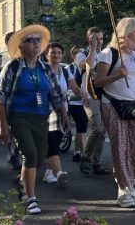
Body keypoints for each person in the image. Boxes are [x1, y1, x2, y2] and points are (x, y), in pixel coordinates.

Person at [0, 24, 65, 215]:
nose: (35, 43)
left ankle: (22, 181)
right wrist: (2, 126)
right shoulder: (13, 67)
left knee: (40, 157)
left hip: (41, 117)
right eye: (30, 40)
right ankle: (31, 199)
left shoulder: (44, 68)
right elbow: (0, 98)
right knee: (30, 154)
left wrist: (64, 115)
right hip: (19, 117)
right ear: (21, 46)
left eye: (38, 40)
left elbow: (57, 94)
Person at [94, 17, 135, 208]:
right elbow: (98, 82)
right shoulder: (108, 53)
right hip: (113, 104)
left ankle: (129, 178)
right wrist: (117, 75)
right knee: (120, 147)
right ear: (125, 32)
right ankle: (125, 188)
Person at [41, 42, 84, 188]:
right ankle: (56, 171)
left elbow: (73, 86)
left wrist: (81, 93)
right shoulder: (42, 69)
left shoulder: (65, 70)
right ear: (47, 55)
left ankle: (49, 172)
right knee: (50, 139)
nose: (56, 55)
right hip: (45, 110)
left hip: (62, 109)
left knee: (57, 138)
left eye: (59, 52)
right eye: (53, 52)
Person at [75, 27, 111, 175]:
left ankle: (97, 162)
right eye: (95, 39)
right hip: (90, 95)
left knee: (103, 131)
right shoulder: (81, 54)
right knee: (98, 128)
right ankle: (86, 157)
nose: (99, 42)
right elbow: (88, 64)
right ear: (89, 39)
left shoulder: (105, 54)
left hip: (105, 95)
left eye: (101, 39)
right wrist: (93, 48)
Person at [67, 46, 89, 162]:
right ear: (74, 56)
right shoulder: (68, 69)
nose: (81, 56)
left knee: (81, 128)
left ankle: (76, 152)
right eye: (78, 54)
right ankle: (84, 153)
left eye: (83, 53)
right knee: (82, 126)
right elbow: (65, 89)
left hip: (83, 102)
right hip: (72, 102)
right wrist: (77, 93)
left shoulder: (87, 69)